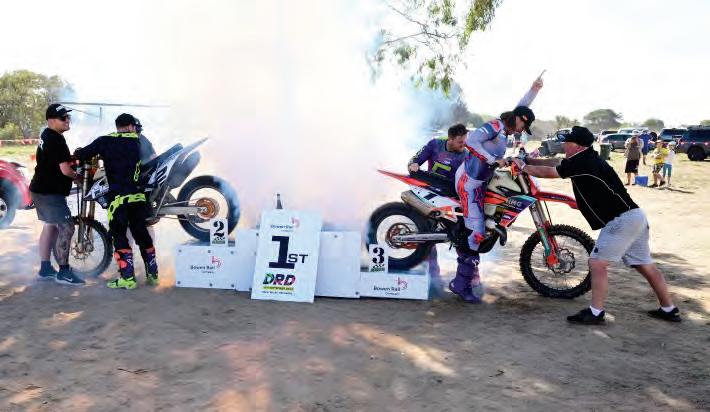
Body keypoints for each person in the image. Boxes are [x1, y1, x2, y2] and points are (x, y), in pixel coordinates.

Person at [514, 126, 681, 324]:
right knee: (645, 265)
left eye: (567, 142)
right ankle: (669, 309)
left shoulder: (583, 162)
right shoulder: (585, 158)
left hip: (621, 220)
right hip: (634, 217)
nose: (564, 145)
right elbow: (556, 162)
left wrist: (522, 167)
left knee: (597, 263)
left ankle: (596, 312)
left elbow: (550, 172)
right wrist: (529, 160)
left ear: (577, 146)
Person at [450, 75, 544, 303]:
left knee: (487, 221)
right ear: (518, 120)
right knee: (477, 233)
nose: (523, 130)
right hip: (469, 182)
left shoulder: (506, 128)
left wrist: (534, 90)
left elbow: (522, 107)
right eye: (524, 125)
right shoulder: (496, 125)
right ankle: (460, 284)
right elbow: (471, 142)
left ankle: (471, 271)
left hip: (482, 180)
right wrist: (493, 160)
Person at [74, 113, 158, 289]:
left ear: (118, 126)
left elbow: (81, 154)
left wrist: (79, 154)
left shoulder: (105, 141)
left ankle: (128, 279)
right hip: (138, 198)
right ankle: (153, 276)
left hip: (118, 200)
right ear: (130, 126)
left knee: (119, 236)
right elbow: (152, 161)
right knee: (142, 235)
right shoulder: (140, 141)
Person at [29, 104, 85, 285]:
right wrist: (78, 176)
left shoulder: (47, 134)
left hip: (40, 190)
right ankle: (64, 272)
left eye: (68, 117)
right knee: (67, 227)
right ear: (51, 120)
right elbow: (65, 170)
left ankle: (45, 268)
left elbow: (55, 160)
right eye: (63, 118)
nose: (67, 120)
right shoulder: (56, 139)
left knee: (51, 226)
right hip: (49, 193)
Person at [408, 124, 469, 291]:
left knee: (461, 237)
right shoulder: (434, 144)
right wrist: (413, 165)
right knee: (427, 235)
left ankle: (470, 279)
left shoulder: (467, 155)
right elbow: (414, 160)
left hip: (452, 200)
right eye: (460, 142)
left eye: (465, 141)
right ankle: (433, 277)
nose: (463, 145)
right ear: (450, 139)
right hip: (429, 196)